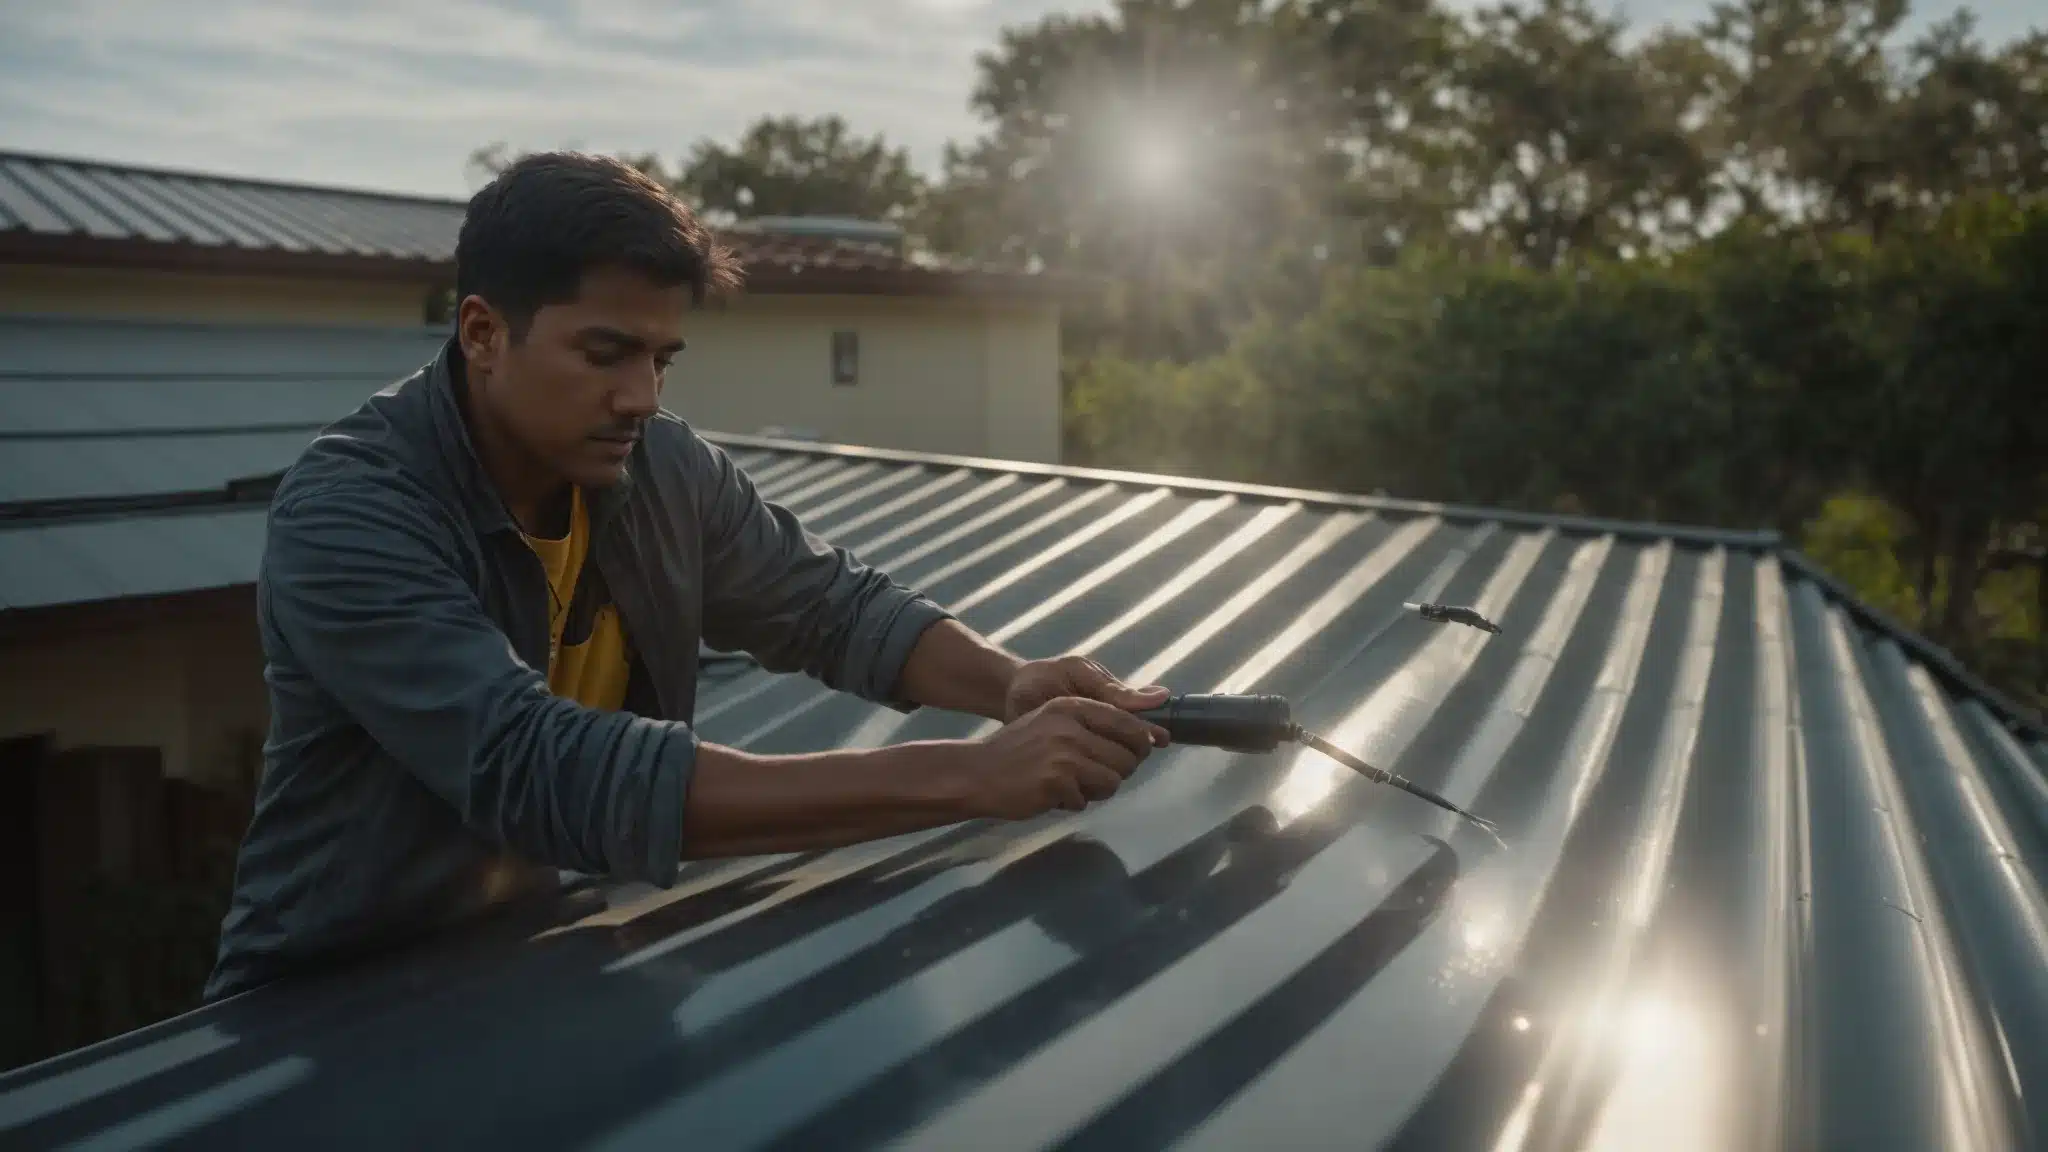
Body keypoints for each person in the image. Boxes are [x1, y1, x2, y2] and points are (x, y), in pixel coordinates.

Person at [204, 152, 1171, 1002]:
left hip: (536, 971)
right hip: (324, 1015)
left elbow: (830, 608)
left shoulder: (659, 467)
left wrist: (1008, 683)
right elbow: (540, 772)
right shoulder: (352, 514)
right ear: (483, 333)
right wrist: (971, 774)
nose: (641, 397)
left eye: (662, 359)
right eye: (605, 353)